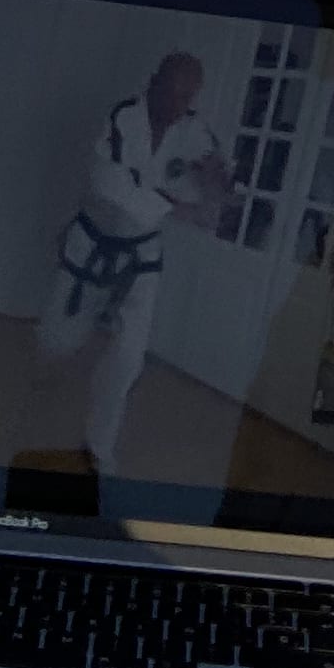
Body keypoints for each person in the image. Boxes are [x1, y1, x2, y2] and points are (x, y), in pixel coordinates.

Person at [37, 51, 229, 475]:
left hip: (141, 254)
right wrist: (174, 209)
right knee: (57, 340)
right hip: (92, 244)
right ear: (154, 81)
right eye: (171, 93)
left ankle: (98, 446)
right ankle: (51, 379)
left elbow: (216, 186)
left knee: (128, 357)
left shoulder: (194, 131)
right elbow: (109, 183)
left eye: (186, 98)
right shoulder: (123, 119)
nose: (176, 106)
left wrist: (215, 180)